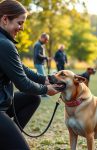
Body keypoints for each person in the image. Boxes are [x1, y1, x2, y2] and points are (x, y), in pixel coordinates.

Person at [0, 1, 59, 149]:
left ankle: (7, 139)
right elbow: (22, 83)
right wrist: (47, 89)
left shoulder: (4, 40)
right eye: (19, 23)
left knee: (32, 98)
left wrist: (44, 79)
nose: (22, 28)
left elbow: (21, 68)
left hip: (3, 101)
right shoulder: (4, 44)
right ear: (5, 19)